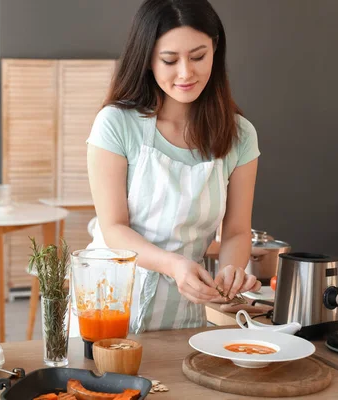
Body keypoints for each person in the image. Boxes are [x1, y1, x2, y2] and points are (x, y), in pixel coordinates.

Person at [86, 0, 261, 332]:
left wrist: (229, 272)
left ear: (215, 51)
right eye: (169, 60)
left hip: (181, 315)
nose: (186, 73)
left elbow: (236, 231)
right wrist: (174, 265)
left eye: (198, 57)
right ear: (148, 59)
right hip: (108, 302)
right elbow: (114, 229)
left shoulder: (240, 136)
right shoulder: (116, 125)